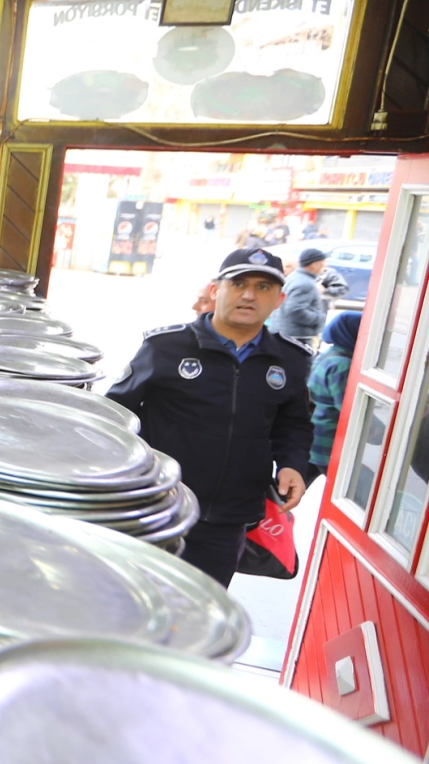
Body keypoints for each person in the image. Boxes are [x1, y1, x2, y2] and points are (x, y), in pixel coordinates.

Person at [106, 248, 314, 589]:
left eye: (263, 287)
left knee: (200, 611)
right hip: (157, 505)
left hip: (229, 518)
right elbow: (116, 414)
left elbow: (293, 423)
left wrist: (292, 465)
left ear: (279, 299)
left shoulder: (290, 360)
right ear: (216, 290)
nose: (249, 295)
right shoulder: (166, 347)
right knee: (130, 599)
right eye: (239, 283)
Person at [308, 311, 363, 485]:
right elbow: (349, 408)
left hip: (314, 438)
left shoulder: (330, 354)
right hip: (327, 443)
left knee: (287, 491)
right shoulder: (342, 365)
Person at [268, 248, 329, 347]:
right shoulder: (305, 283)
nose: (325, 266)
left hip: (283, 333)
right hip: (295, 337)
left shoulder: (293, 277)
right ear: (314, 264)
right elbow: (295, 309)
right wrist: (318, 318)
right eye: (322, 263)